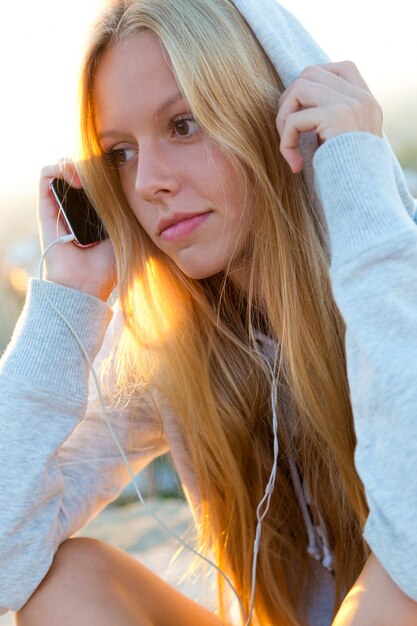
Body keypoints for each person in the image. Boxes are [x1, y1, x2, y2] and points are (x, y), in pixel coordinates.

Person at [0, 0, 416, 624]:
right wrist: (69, 298)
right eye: (120, 152)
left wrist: (355, 179)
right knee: (64, 580)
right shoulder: (174, 350)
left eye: (184, 124)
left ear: (275, 112)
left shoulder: (390, 275)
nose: (147, 184)